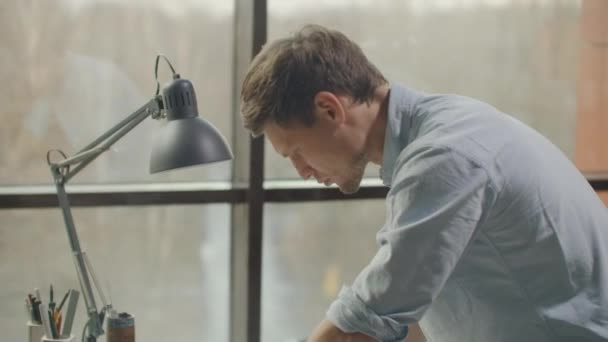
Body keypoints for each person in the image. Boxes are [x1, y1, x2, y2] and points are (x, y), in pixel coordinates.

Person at [239, 24, 608, 342]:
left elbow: (369, 314)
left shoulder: (444, 157)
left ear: (330, 109)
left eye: (296, 152)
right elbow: (409, 307)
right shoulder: (447, 124)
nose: (303, 171)